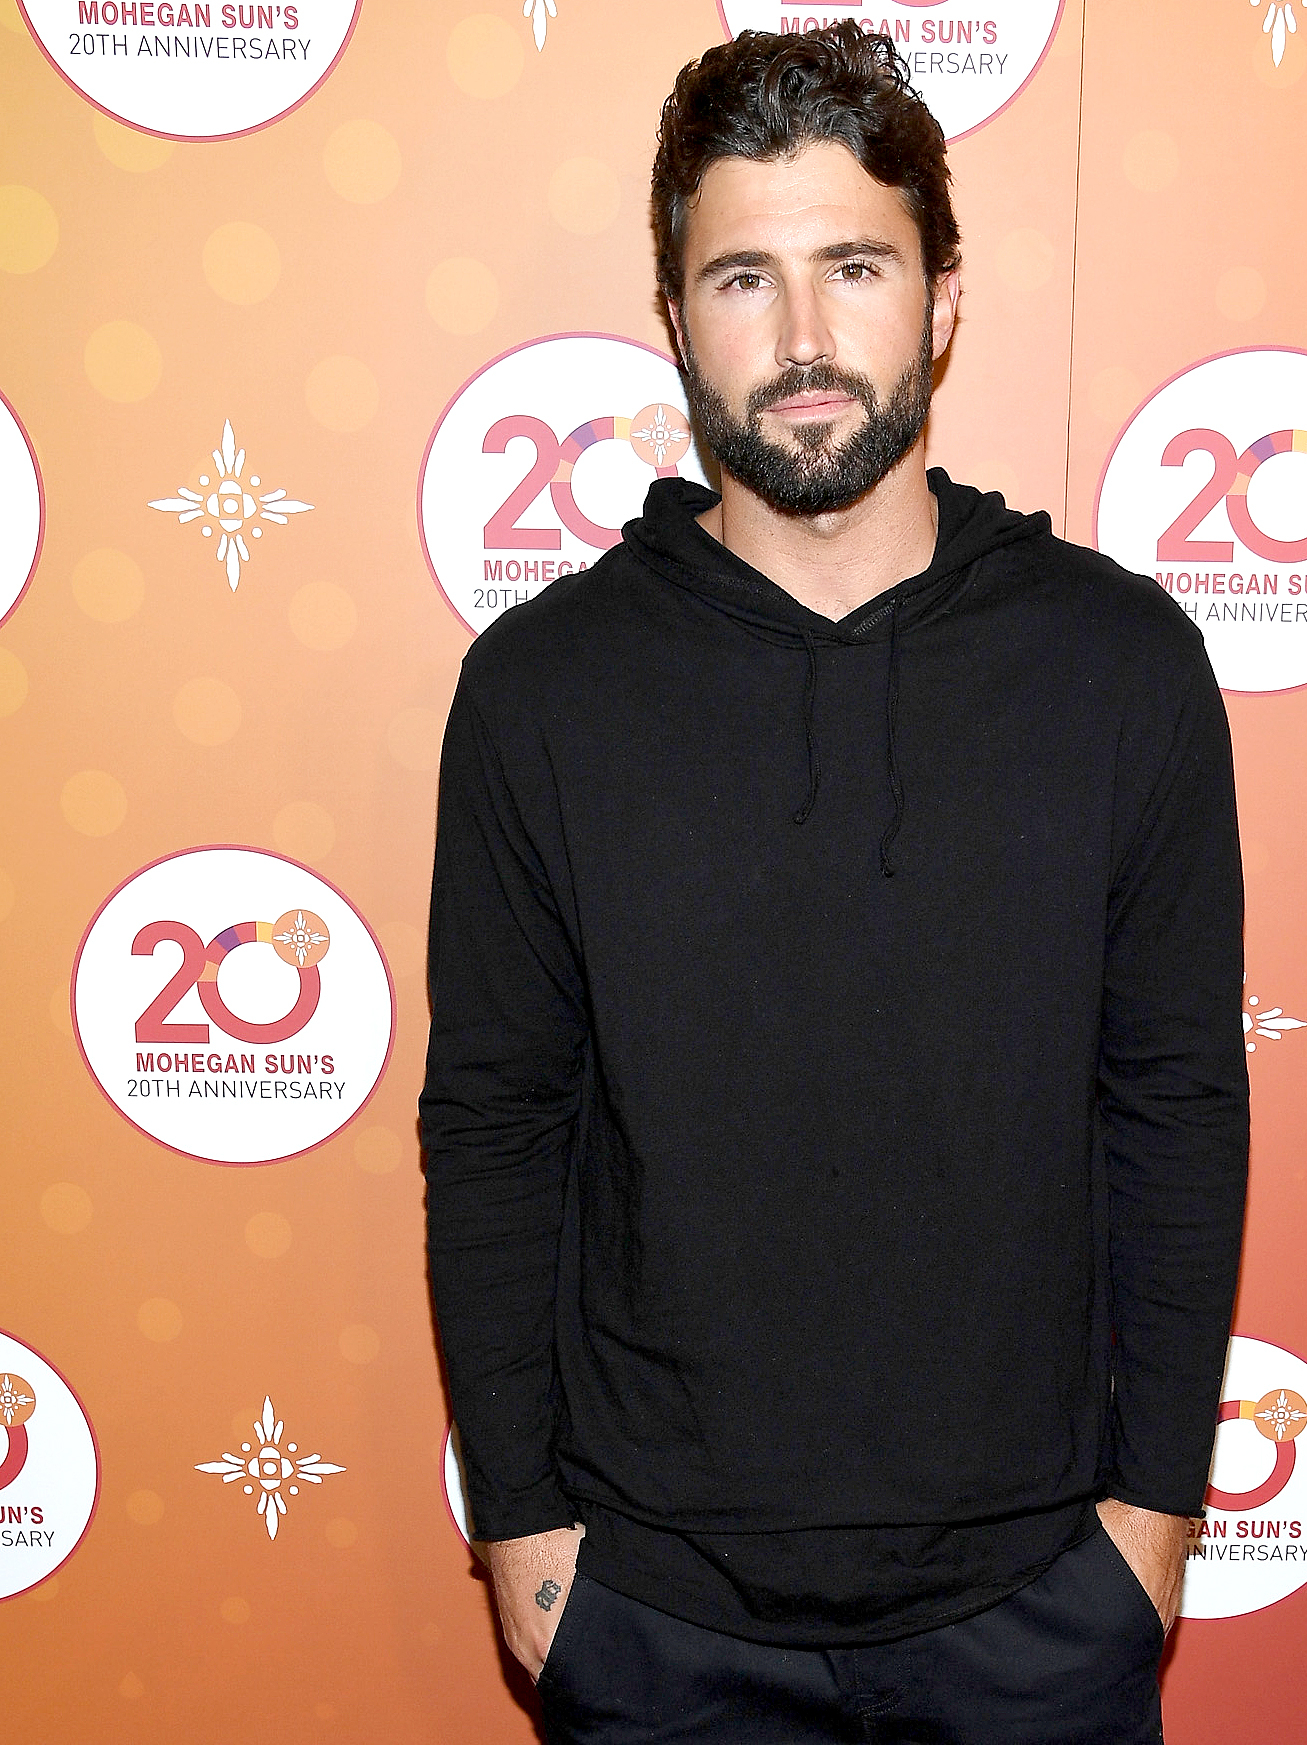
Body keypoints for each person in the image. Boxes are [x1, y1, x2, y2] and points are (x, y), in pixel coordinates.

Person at [421, 24, 1249, 1743]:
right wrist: (522, 1524)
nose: (802, 340)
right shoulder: (543, 688)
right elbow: (497, 1119)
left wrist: (1151, 1515)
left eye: (853, 265)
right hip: (651, 1615)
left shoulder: (1118, 664)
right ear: (674, 317)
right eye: (742, 277)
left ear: (941, 295)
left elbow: (1172, 1102)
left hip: (1040, 1604)